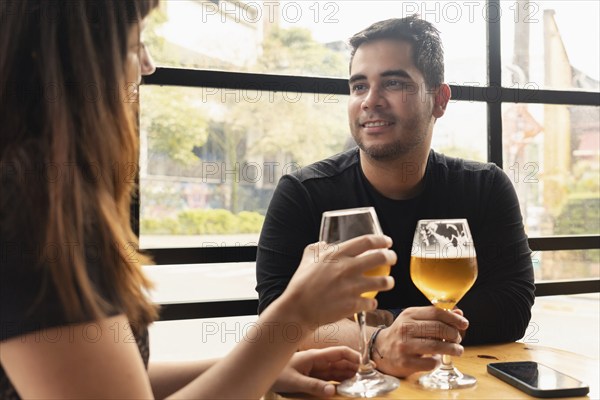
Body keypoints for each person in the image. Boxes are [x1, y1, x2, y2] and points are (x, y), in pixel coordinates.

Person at [0, 1, 397, 398]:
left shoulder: (39, 193)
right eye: (134, 44)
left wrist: (267, 367)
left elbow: (110, 381)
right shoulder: (30, 212)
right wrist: (294, 314)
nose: (148, 64)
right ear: (76, 62)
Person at [256, 16, 535, 378]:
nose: (370, 101)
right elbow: (275, 319)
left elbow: (511, 309)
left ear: (439, 99)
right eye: (359, 86)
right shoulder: (304, 193)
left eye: (393, 82)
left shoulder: (485, 187)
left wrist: (384, 321)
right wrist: (378, 341)